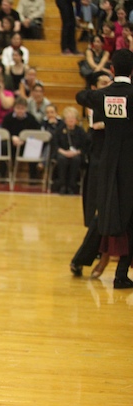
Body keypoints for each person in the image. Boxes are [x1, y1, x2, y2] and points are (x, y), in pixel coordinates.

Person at [76, 49, 133, 289]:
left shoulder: (104, 95)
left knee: (110, 212)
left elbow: (81, 96)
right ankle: (121, 273)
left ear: (112, 70)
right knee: (130, 216)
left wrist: (100, 90)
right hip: (131, 163)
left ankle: (88, 261)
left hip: (109, 164)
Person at [70, 71, 112, 278]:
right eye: (104, 82)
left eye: (110, 81)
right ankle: (83, 258)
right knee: (101, 215)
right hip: (101, 166)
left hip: (116, 164)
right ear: (94, 88)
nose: (109, 85)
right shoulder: (94, 105)